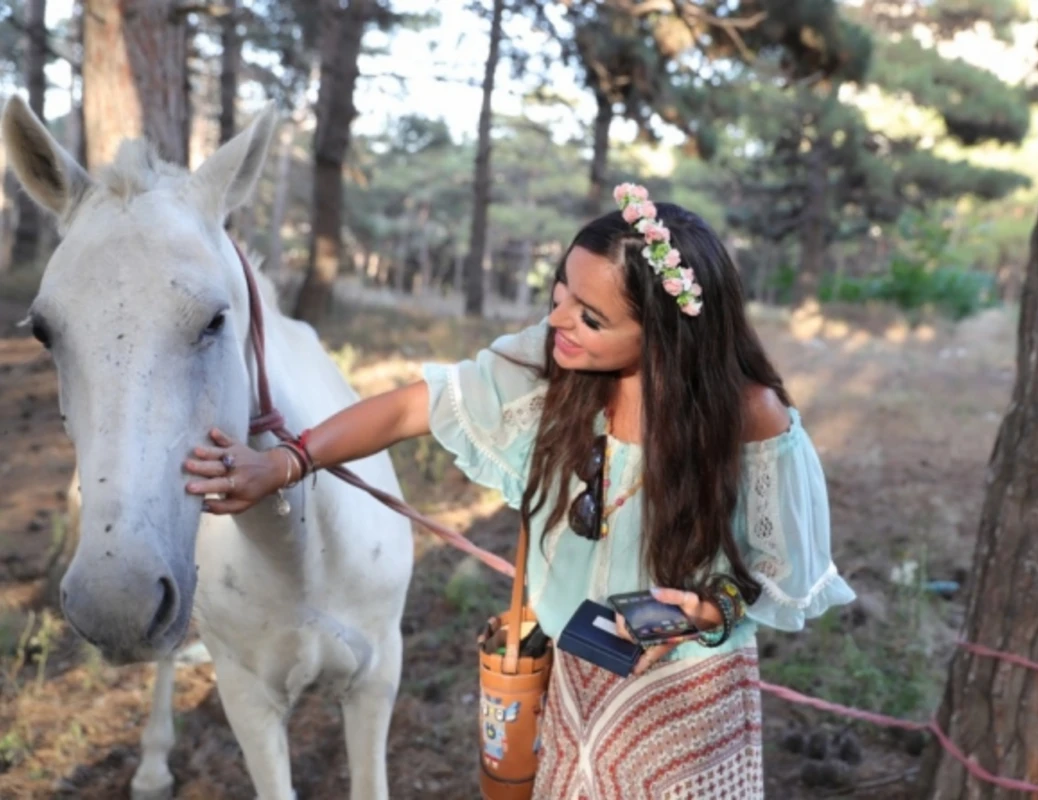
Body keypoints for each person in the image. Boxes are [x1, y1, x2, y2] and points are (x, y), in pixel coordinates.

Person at [183, 183, 855, 798]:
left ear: (668, 336)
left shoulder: (750, 415)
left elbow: (773, 577)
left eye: (591, 317)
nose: (560, 319)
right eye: (559, 291)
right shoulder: (554, 365)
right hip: (575, 676)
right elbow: (412, 407)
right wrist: (288, 463)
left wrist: (711, 611)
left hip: (685, 697)